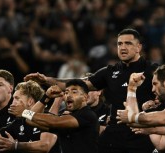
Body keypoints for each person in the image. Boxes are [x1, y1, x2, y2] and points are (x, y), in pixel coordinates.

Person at [24, 28, 156, 153]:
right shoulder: (109, 72)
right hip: (115, 134)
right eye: (119, 44)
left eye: (128, 43)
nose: (123, 47)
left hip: (140, 132)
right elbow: (77, 84)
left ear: (139, 47)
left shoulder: (152, 70)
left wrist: (155, 103)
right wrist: (46, 80)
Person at [8, 79, 99, 153]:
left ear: (85, 97)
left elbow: (55, 121)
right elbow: (29, 121)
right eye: (66, 92)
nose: (69, 95)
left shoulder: (88, 115)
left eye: (74, 92)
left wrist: (25, 112)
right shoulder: (67, 119)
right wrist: (46, 97)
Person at [0, 80, 57, 153]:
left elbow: (45, 146)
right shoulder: (18, 122)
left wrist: (16, 146)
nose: (12, 102)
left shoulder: (47, 117)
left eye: (17, 98)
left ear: (30, 101)